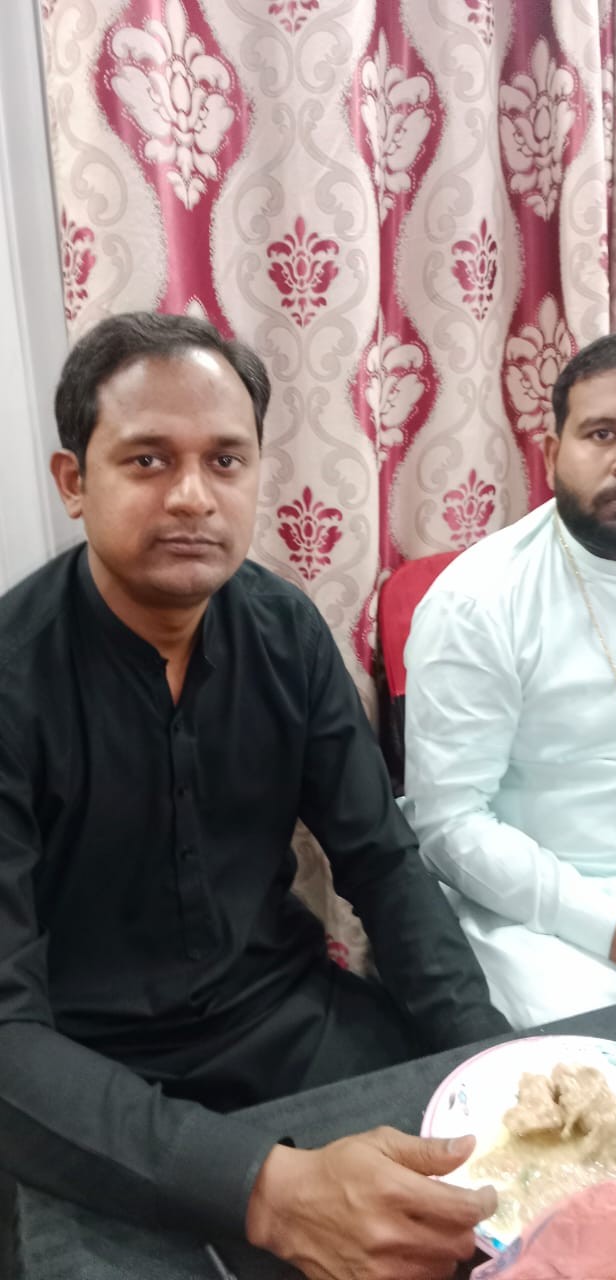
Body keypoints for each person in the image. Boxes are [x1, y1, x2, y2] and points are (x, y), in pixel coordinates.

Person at [0, 312, 509, 1280]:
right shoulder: (14, 677)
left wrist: (489, 1063)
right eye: (148, 460)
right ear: (74, 481)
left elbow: (383, 864)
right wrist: (264, 1190)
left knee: (483, 1224)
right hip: (86, 1070)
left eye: (226, 461)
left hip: (286, 1020)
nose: (193, 495)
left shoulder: (286, 631)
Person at [403, 329, 616, 1030]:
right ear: (552, 455)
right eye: (602, 433)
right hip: (545, 922)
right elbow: (450, 824)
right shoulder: (478, 600)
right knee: (608, 1062)